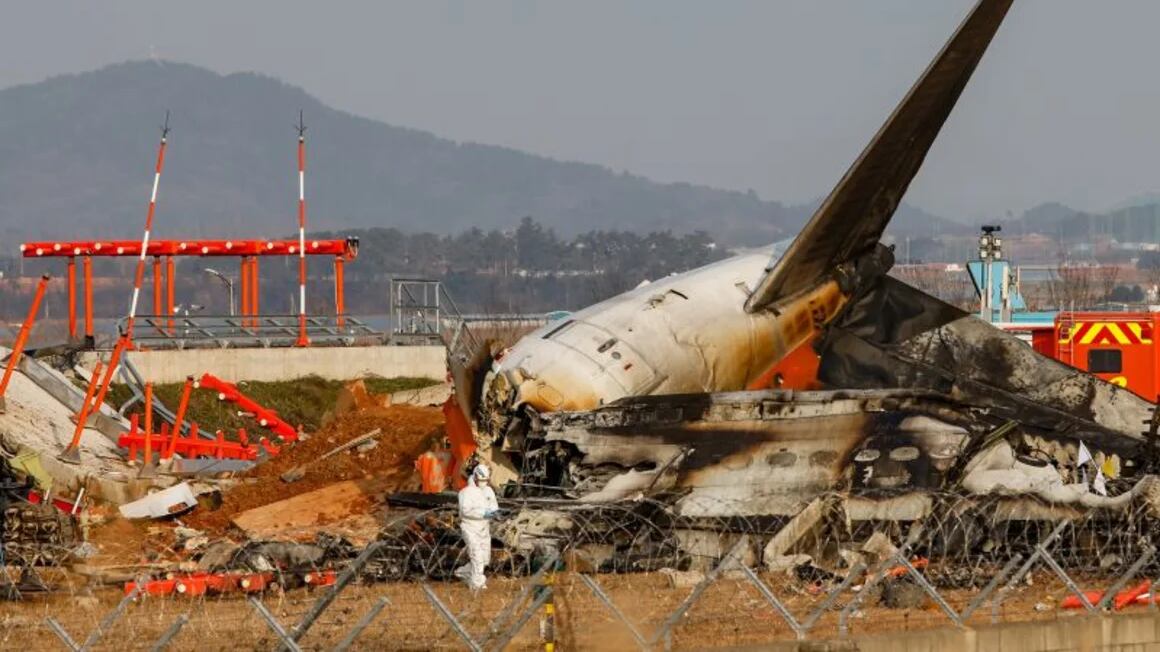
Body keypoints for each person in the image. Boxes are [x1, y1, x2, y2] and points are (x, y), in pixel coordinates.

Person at [455, 464, 499, 590]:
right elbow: (465, 511)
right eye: (481, 480)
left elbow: (494, 506)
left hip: (484, 528)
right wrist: (483, 513)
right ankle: (477, 585)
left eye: (485, 480)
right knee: (477, 556)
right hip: (470, 528)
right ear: (475, 477)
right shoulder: (465, 493)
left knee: (484, 559)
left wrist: (494, 513)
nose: (483, 483)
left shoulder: (488, 491)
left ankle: (463, 572)